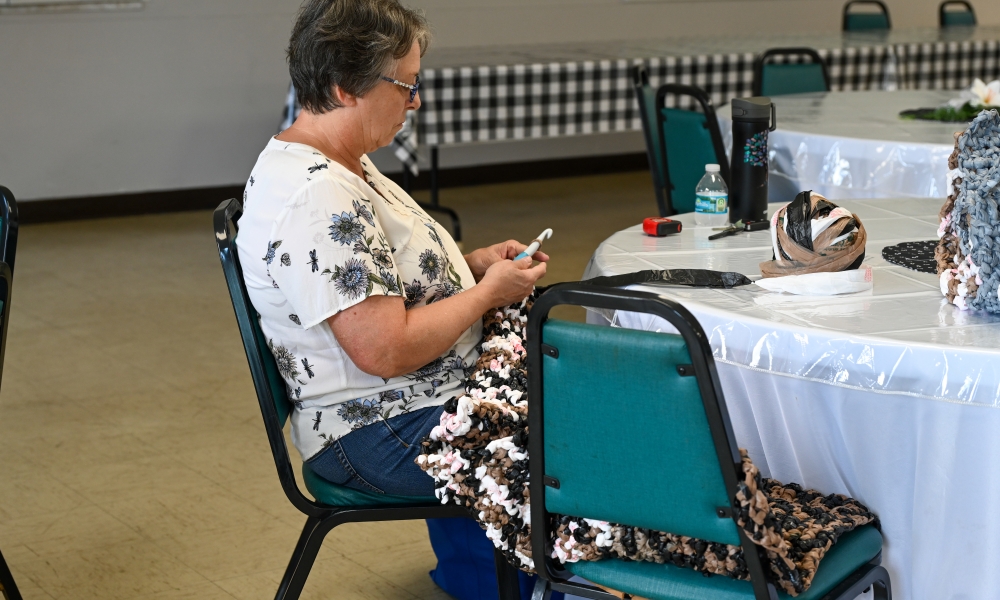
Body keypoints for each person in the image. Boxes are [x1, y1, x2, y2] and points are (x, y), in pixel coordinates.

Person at [237, 0, 547, 501]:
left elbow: (375, 286)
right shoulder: (318, 195)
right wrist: (486, 294)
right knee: (588, 436)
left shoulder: (337, 162)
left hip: (410, 404)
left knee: (583, 392)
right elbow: (385, 349)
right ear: (344, 86)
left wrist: (469, 270)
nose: (416, 101)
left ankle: (498, 576)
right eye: (406, 85)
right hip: (378, 433)